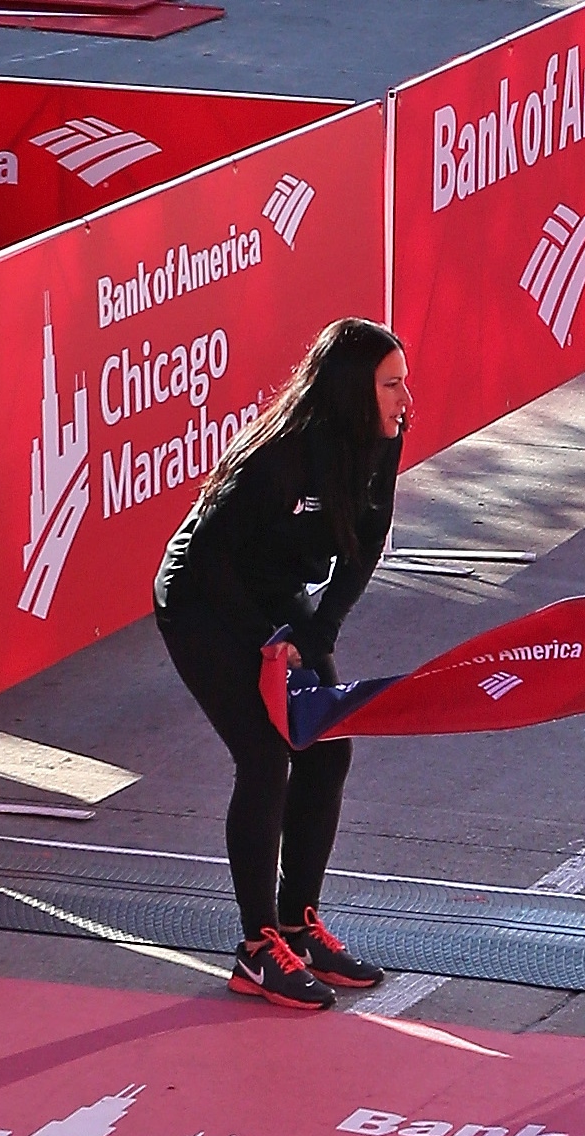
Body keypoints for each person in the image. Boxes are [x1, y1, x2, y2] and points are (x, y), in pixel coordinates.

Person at [153, 319, 410, 1009]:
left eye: (402, 382)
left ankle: (299, 922)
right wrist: (269, 641)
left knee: (327, 745)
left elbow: (369, 540)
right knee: (267, 757)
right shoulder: (279, 456)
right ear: (356, 391)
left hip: (282, 601)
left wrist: (317, 631)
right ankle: (257, 946)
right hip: (205, 601)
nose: (403, 398)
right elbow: (204, 560)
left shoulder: (383, 437)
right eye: (390, 385)